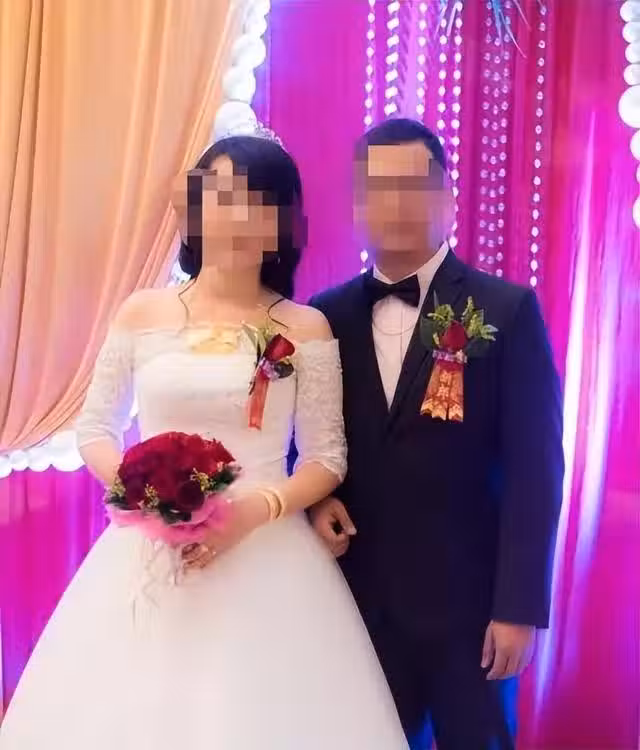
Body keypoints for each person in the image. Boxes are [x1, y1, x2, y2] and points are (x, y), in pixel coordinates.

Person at [0, 131, 409, 749]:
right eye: (218, 197)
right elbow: (95, 428)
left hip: (269, 551)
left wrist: (253, 511)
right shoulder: (142, 312)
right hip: (148, 553)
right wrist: (150, 497)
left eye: (256, 202)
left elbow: (326, 457)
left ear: (281, 224)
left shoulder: (304, 327)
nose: (235, 217)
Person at [309, 118, 564, 750]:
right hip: (358, 604)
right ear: (358, 204)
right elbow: (307, 440)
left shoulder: (505, 310)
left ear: (448, 195)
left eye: (415, 185)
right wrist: (315, 501)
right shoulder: (324, 317)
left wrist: (519, 607)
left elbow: (536, 471)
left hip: (470, 613)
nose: (396, 203)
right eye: (379, 188)